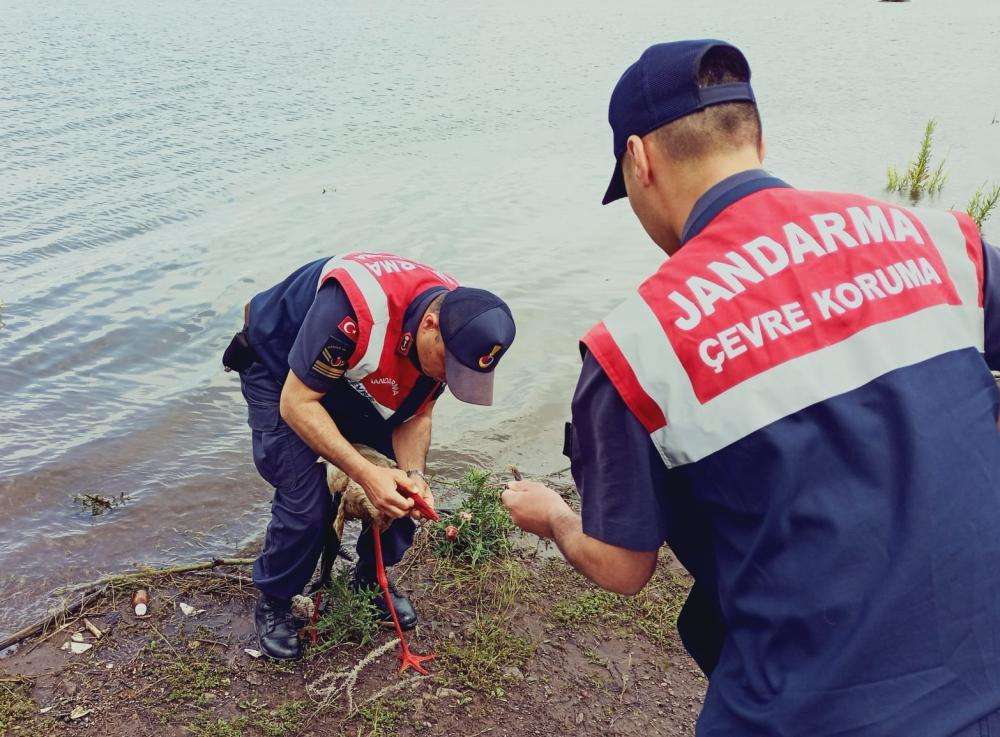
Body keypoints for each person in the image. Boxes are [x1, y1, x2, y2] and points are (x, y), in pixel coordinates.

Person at [502, 39, 1000, 736]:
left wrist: (554, 514)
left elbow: (621, 566)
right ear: (757, 136)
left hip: (809, 714)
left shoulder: (634, 348)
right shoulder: (942, 240)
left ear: (640, 160)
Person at [225, 251, 515, 660]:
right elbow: (298, 403)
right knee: (305, 500)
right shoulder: (355, 309)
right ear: (429, 326)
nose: (449, 378)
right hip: (279, 370)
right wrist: (363, 472)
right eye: (448, 366)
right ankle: (275, 598)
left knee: (401, 491)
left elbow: (417, 415)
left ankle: (368, 579)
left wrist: (413, 473)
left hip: (347, 369)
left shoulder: (460, 326)